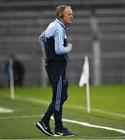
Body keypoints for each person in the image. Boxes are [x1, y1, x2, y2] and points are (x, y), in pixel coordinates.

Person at [36, 5, 74, 137]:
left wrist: (48, 54)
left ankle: (45, 121)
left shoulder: (53, 25)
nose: (71, 16)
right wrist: (68, 47)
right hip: (56, 67)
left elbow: (41, 38)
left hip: (56, 66)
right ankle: (59, 128)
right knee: (58, 97)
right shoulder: (58, 27)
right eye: (68, 14)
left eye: (71, 13)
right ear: (61, 16)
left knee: (63, 95)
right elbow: (59, 50)